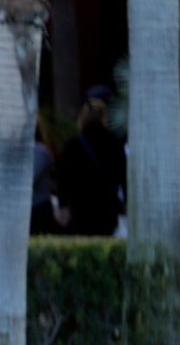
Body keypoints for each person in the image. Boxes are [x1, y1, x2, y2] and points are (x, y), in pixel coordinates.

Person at [55, 88, 128, 237]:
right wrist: (127, 201)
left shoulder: (73, 144)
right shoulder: (114, 143)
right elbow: (124, 175)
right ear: (103, 117)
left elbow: (63, 177)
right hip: (107, 206)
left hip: (81, 206)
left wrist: (63, 204)